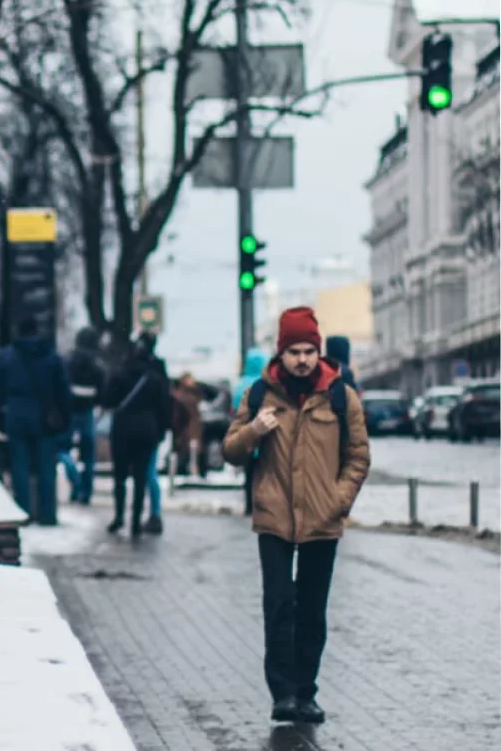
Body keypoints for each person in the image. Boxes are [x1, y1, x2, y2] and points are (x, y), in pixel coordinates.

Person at [222, 306, 370, 726]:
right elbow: (231, 451)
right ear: (281, 353)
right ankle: (282, 694)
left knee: (312, 610)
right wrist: (254, 431)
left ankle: (306, 692)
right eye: (294, 351)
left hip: (322, 519)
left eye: (309, 351)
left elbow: (358, 456)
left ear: (318, 351)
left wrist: (337, 500)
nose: (302, 359)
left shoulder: (341, 396)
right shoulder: (258, 395)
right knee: (279, 605)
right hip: (274, 517)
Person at [0, 317, 71, 526]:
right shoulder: (51, 357)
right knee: (46, 468)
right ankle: (47, 514)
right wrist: (64, 420)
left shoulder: (6, 357)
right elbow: (63, 392)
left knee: (20, 467)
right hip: (45, 418)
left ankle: (23, 512)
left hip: (16, 416)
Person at [101, 331, 172, 536]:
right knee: (141, 477)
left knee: (120, 476)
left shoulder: (121, 370)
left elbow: (107, 399)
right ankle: (135, 523)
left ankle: (118, 517)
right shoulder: (156, 373)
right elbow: (164, 406)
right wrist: (160, 430)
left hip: (122, 429)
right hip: (147, 430)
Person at [65, 327, 106, 504]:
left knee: (63, 449)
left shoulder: (69, 360)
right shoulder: (97, 363)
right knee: (88, 454)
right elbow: (103, 389)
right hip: (88, 410)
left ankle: (75, 483)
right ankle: (86, 490)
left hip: (69, 409)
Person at [232, 347, 270, 516]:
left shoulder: (240, 385)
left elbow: (234, 411)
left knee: (248, 473)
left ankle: (248, 505)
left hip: (246, 435)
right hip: (264, 434)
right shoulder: (267, 385)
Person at [171, 373, 204, 476]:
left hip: (193, 427)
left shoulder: (194, 395)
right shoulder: (180, 396)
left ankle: (194, 471)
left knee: (193, 451)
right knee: (186, 452)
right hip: (187, 428)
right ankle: (188, 471)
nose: (192, 382)